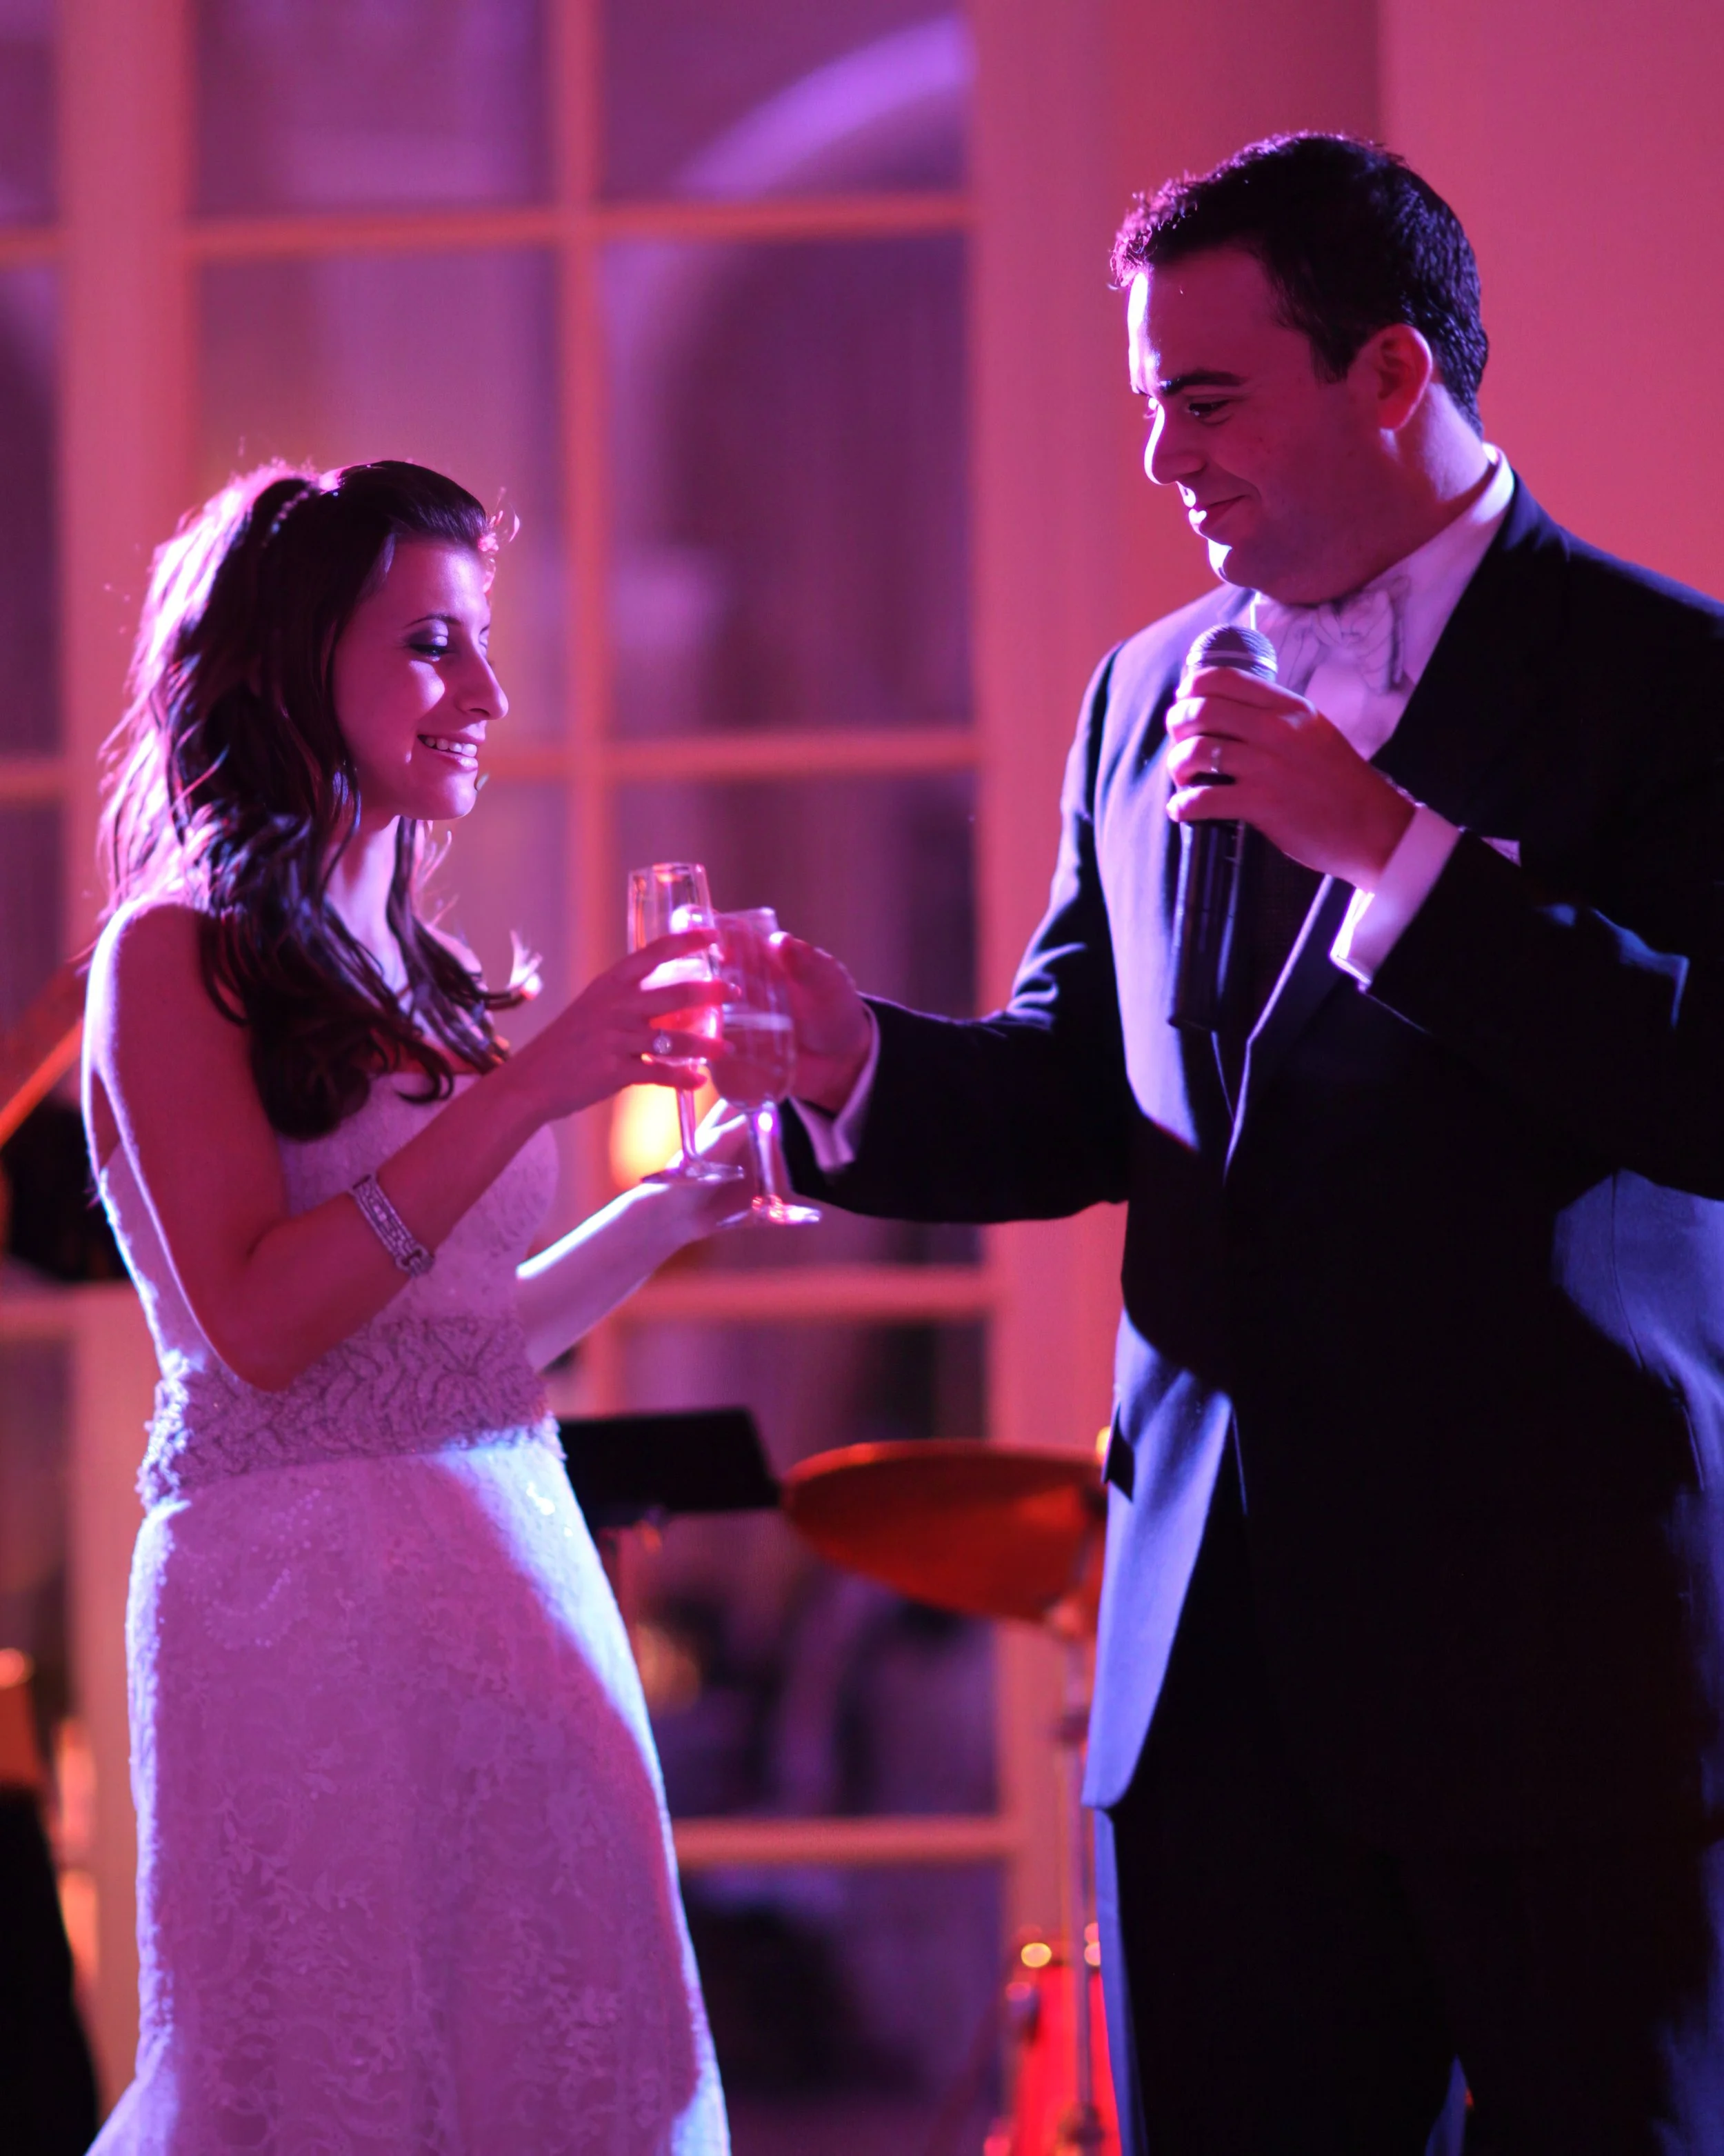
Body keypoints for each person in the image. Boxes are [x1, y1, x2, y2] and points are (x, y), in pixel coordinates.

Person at [776, 134, 1724, 2153]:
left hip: (1553, 1680)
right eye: (1143, 405)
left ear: (1387, 375)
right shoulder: (1140, 694)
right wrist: (849, 1055)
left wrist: (1389, 849)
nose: (1161, 460)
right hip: (1205, 1690)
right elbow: (1075, 1091)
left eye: (1203, 399)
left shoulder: (1675, 680)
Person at [82, 459, 735, 2152]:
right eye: (434, 643)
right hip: (294, 1612)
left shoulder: (416, 977)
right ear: (302, 663)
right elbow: (265, 1328)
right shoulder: (174, 955)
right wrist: (529, 1093)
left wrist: (683, 1199)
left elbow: (466, 1342)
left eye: (483, 644)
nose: (486, 697)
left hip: (507, 1563)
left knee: (579, 2066)